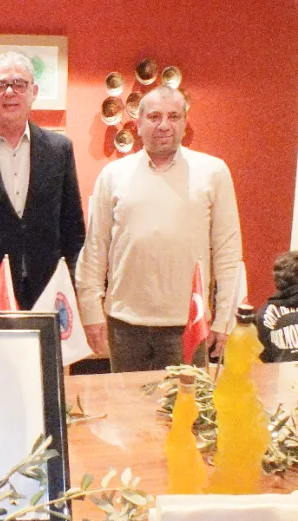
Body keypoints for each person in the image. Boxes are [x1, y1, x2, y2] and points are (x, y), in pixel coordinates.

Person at [75, 86, 243, 372]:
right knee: (127, 401)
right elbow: (95, 249)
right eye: (154, 117)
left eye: (173, 116)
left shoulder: (213, 172)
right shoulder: (113, 175)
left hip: (189, 323)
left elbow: (228, 252)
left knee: (186, 401)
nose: (164, 125)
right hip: (124, 325)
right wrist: (91, 311)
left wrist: (225, 319)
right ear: (138, 124)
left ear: (185, 123)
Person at [0, 51, 86, 311]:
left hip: (51, 292)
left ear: (33, 92)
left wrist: (73, 286)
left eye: (19, 84)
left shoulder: (59, 150)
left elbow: (73, 229)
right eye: (0, 85)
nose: (9, 92)